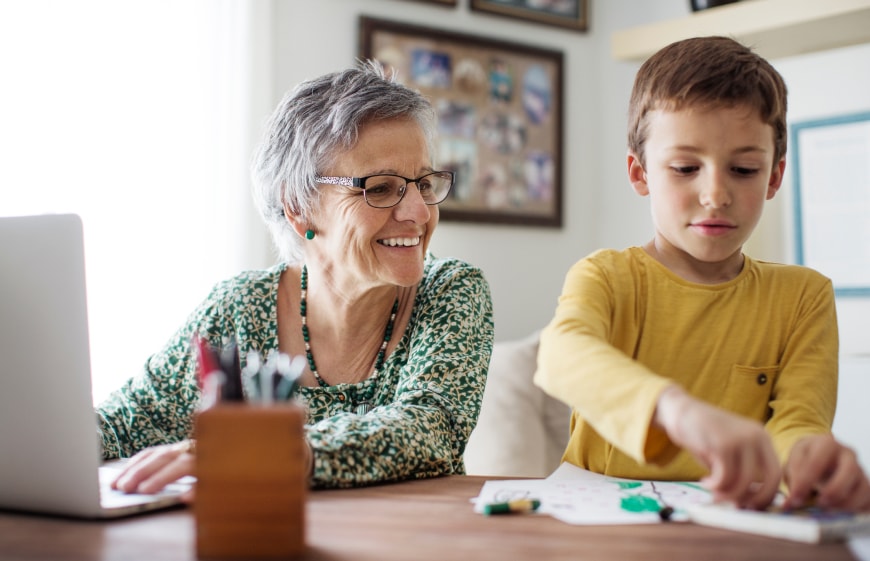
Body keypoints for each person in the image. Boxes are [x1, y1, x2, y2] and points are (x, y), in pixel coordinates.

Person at [98, 60, 494, 493]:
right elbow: (123, 424)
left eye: (423, 183)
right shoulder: (238, 308)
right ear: (299, 206)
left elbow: (429, 429)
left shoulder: (451, 290)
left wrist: (271, 451)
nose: (419, 212)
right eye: (380, 188)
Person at [534, 36, 870, 512]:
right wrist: (677, 411)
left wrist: (810, 462)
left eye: (744, 168)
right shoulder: (606, 276)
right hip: (600, 526)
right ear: (640, 173)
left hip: (735, 527)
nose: (715, 194)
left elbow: (798, 424)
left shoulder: (804, 297)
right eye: (686, 167)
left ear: (774, 176)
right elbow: (562, 354)